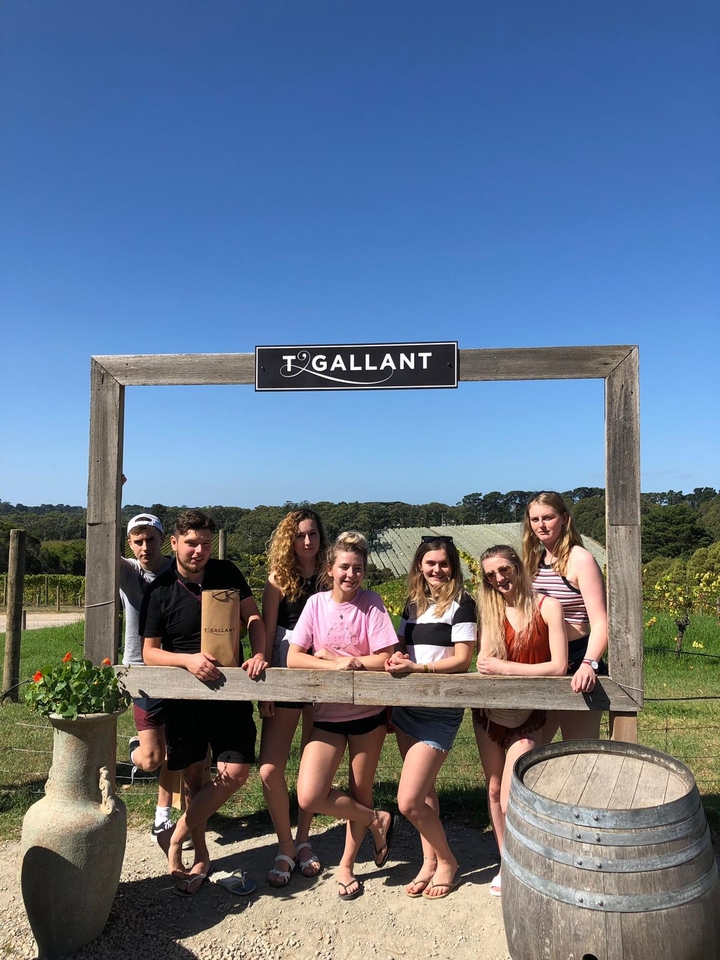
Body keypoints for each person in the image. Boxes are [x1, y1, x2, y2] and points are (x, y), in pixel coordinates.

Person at [142, 509, 268, 896]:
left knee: (236, 771)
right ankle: (202, 856)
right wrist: (188, 660)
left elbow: (253, 618)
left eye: (205, 544)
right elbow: (150, 653)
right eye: (192, 543)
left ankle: (178, 835)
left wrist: (260, 652)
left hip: (231, 692)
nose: (199, 551)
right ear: (175, 543)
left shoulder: (227, 573)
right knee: (193, 780)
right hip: (185, 699)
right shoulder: (159, 589)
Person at [286, 531, 398, 901]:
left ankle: (347, 865)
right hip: (327, 715)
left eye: (358, 569)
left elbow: (386, 657)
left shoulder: (372, 603)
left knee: (359, 790)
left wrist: (349, 662)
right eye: (345, 567)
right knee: (309, 795)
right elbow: (293, 657)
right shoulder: (316, 605)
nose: (351, 575)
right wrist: (332, 664)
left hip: (368, 713)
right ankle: (375, 820)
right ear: (330, 569)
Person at [384, 536, 476, 901]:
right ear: (419, 566)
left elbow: (462, 659)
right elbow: (400, 646)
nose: (436, 570)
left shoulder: (462, 604)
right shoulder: (412, 605)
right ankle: (429, 860)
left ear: (453, 565)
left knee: (407, 801)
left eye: (443, 563)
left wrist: (417, 668)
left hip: (440, 710)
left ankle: (448, 861)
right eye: (430, 563)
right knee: (425, 794)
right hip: (408, 707)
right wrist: (393, 658)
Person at [473, 545, 567, 897]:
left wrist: (506, 668)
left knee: (514, 792)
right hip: (489, 713)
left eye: (504, 571)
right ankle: (506, 861)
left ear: (518, 567)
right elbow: (484, 661)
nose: (499, 579)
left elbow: (558, 667)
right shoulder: (491, 610)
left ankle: (522, 858)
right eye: (491, 575)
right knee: (495, 789)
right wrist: (493, 665)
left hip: (530, 714)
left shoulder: (547, 607)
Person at [258, 509, 328, 887]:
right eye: (300, 535)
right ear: (290, 538)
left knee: (310, 767)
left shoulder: (330, 576)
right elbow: (267, 636)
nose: (307, 541)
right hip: (285, 674)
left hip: (322, 674)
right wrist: (266, 689)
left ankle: (304, 840)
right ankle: (284, 843)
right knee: (270, 768)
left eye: (313, 534)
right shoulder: (277, 579)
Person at [522, 491, 608, 739]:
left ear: (564, 519)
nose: (541, 525)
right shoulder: (533, 560)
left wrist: (588, 664)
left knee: (578, 749)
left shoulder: (580, 559)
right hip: (543, 660)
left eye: (548, 517)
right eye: (535, 519)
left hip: (576, 659)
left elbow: (600, 622)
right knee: (534, 749)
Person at [120, 513, 178, 843]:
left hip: (176, 666)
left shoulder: (175, 570)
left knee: (176, 749)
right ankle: (135, 752)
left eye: (150, 540)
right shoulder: (129, 572)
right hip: (140, 670)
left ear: (162, 539)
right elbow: (102, 551)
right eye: (138, 541)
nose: (145, 547)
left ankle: (162, 816)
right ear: (130, 544)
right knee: (152, 758)